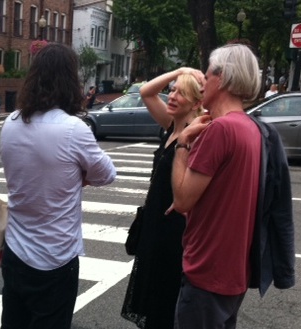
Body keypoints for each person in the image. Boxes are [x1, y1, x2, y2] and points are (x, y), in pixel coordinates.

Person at [170, 44, 295, 329]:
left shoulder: (220, 130)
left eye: (207, 73)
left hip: (207, 271)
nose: (203, 79)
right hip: (235, 272)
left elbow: (182, 200)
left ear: (222, 77)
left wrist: (182, 143)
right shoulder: (253, 129)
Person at [0, 43, 116, 329]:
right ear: (69, 80)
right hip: (55, 256)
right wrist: (78, 177)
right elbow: (107, 174)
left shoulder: (11, 123)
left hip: (15, 248)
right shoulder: (73, 129)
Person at [121, 69, 204, 329]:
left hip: (174, 230)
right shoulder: (170, 127)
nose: (172, 96)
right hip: (155, 225)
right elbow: (146, 91)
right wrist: (180, 71)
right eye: (173, 90)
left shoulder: (195, 134)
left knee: (165, 300)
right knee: (151, 295)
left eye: (181, 92)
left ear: (195, 103)